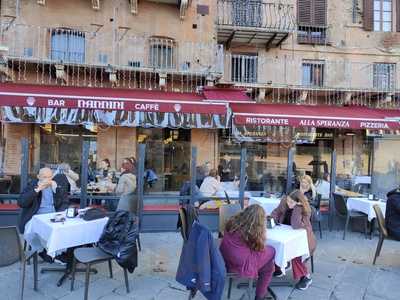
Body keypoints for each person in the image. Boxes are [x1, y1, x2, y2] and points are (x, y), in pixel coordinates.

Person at [220, 204, 275, 300]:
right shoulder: (252, 231)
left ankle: (262, 291)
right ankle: (260, 295)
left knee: (267, 265)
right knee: (271, 251)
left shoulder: (233, 222)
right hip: (241, 264)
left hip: (225, 256)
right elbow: (259, 247)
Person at [18, 167, 69, 262]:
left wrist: (56, 189)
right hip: (37, 217)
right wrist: (37, 189)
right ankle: (45, 252)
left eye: (50, 177)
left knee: (66, 229)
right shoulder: (32, 185)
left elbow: (65, 202)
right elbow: (21, 202)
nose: (47, 180)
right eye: (44, 177)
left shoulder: (55, 185)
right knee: (40, 230)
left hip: (54, 216)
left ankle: (60, 253)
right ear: (38, 177)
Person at [271, 190, 316, 290]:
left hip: (303, 239)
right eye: (288, 201)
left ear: (299, 202)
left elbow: (296, 225)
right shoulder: (285, 201)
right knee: (274, 244)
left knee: (296, 253)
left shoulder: (304, 209)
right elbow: (276, 212)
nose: (288, 203)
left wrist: (297, 208)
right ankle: (278, 268)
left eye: (292, 202)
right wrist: (272, 219)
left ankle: (305, 277)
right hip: (284, 233)